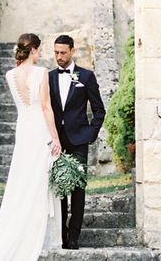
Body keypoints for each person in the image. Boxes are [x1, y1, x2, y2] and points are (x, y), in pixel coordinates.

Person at [0, 33, 62, 260]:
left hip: (23, 129)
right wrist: (56, 138)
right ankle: (36, 233)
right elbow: (46, 108)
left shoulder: (10, 75)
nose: (40, 55)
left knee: (23, 179)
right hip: (39, 129)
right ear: (32, 51)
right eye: (38, 50)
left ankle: (17, 229)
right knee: (40, 178)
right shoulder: (41, 73)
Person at [49, 34, 106, 250]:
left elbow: (99, 110)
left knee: (78, 188)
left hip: (79, 140)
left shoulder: (86, 76)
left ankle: (74, 236)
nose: (59, 57)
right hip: (56, 141)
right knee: (60, 188)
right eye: (56, 53)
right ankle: (61, 235)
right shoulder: (50, 77)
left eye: (63, 53)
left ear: (73, 51)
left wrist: (90, 134)